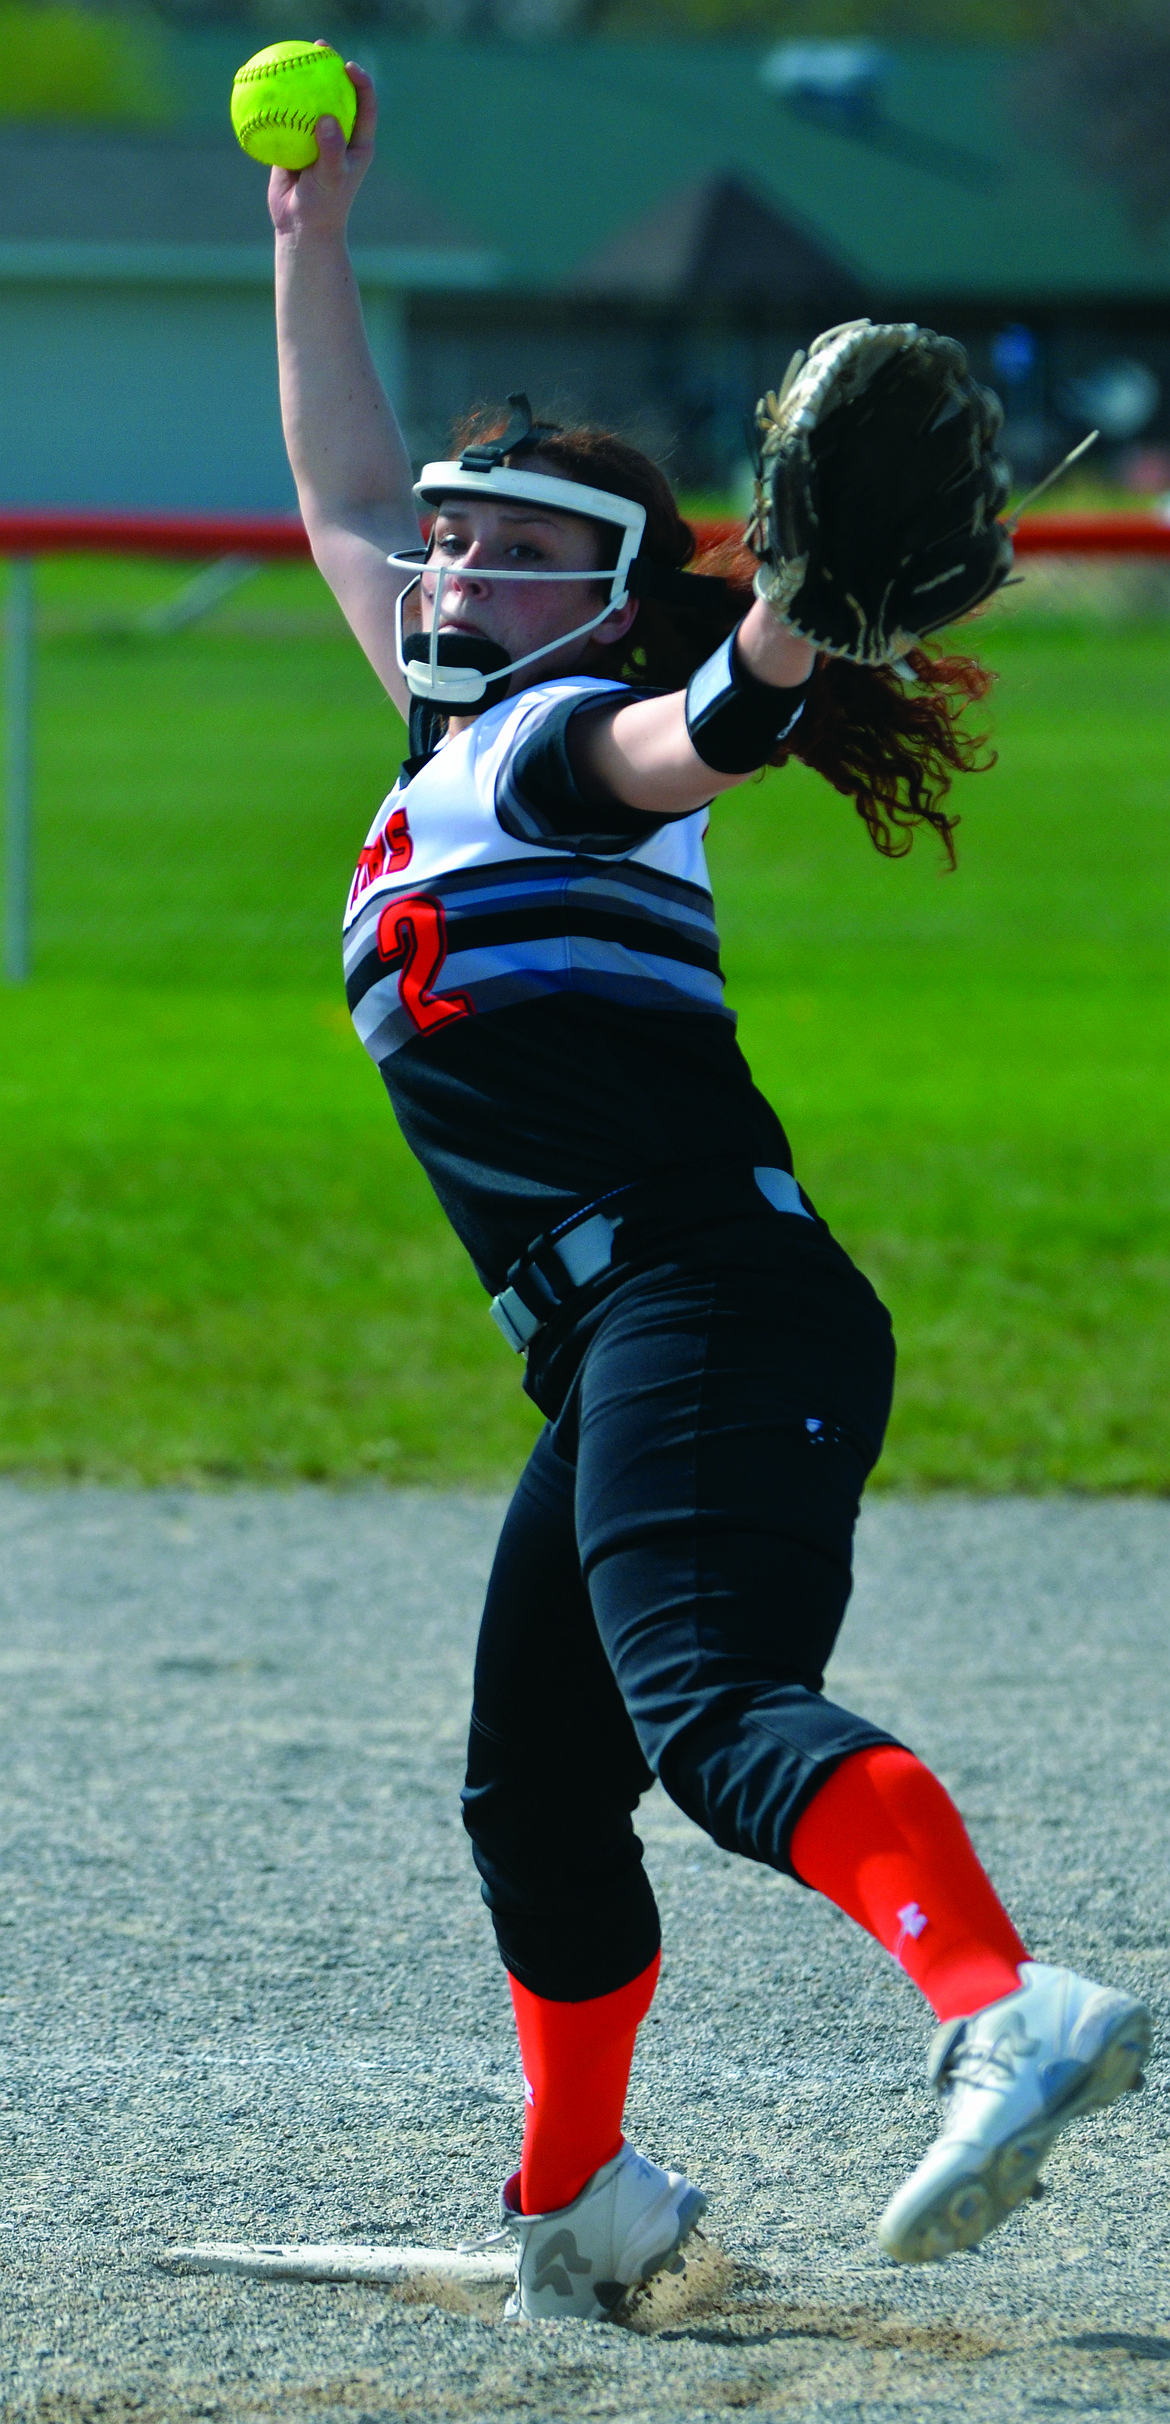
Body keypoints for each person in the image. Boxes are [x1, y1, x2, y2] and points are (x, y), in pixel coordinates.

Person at [269, 58, 1151, 2324]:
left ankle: (1003, 2004)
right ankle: (585, 2206)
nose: (454, 557)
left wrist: (777, 643)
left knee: (718, 1714)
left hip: (699, 1303)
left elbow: (700, 728)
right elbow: (348, 490)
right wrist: (310, 236)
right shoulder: (453, 738)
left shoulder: (572, 749)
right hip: (625, 1337)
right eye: (460, 534)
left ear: (616, 601)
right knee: (536, 1803)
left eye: (517, 543)